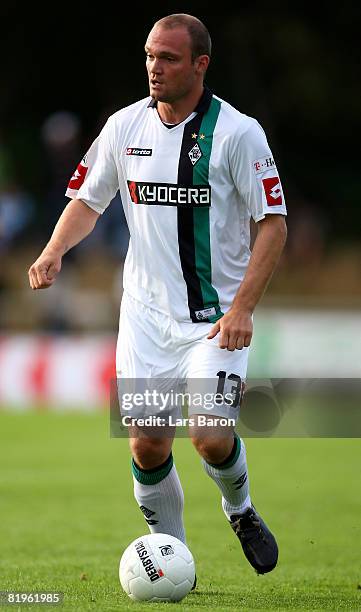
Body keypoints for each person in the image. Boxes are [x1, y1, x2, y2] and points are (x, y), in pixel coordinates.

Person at [28, 14, 287, 578]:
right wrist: (54, 251)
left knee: (210, 436)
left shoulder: (239, 134)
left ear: (200, 65)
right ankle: (174, 557)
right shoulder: (124, 127)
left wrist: (243, 306)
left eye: (168, 58)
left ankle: (239, 509)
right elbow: (87, 200)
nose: (154, 67)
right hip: (145, 318)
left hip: (215, 319)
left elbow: (274, 223)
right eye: (149, 55)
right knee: (147, 444)